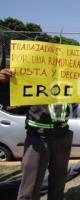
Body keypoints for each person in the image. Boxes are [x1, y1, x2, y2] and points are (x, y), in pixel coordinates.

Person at [0, 59, 73, 200]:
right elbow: (8, 101)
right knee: (29, 187)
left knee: (58, 183)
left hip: (63, 136)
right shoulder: (32, 81)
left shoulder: (67, 81)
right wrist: (3, 83)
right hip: (38, 139)